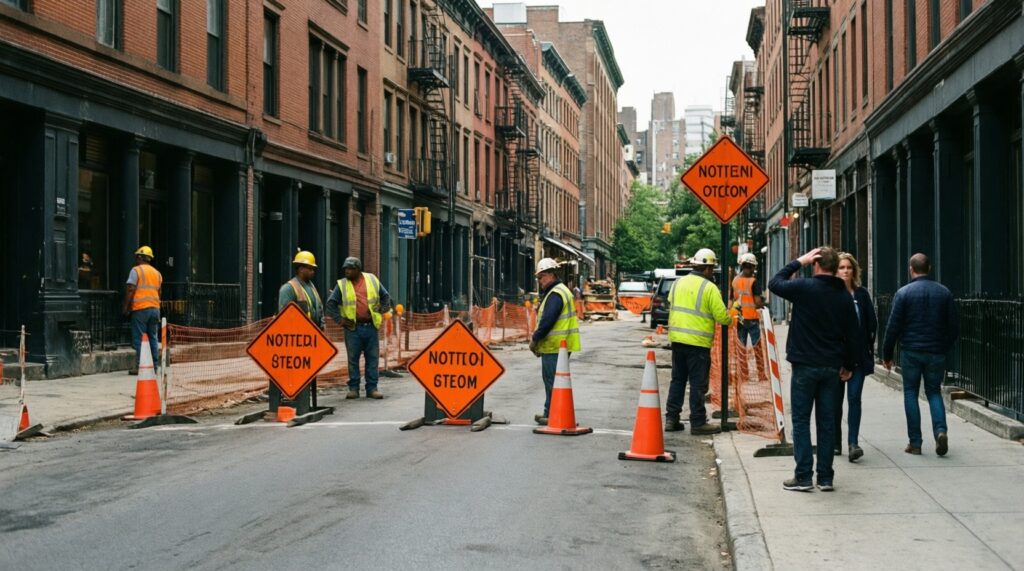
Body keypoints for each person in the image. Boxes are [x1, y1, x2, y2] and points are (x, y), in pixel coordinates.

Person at [769, 247, 858, 492]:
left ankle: (804, 476)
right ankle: (826, 477)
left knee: (800, 420)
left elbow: (775, 283)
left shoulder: (804, 289)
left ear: (816, 264)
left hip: (805, 365)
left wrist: (799, 261)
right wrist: (849, 365)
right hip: (832, 367)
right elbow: (853, 335)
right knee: (827, 422)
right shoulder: (844, 296)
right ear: (834, 267)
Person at [882, 253, 959, 457]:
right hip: (936, 351)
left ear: (911, 269)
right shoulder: (944, 293)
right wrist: (944, 346)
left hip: (911, 351)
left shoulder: (903, 293)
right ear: (929, 268)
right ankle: (940, 431)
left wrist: (887, 354)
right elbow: (953, 327)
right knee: (934, 392)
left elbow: (892, 327)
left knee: (910, 393)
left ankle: (915, 443)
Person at [664, 248, 733, 435]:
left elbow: (671, 303)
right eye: (712, 268)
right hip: (698, 344)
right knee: (697, 383)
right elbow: (722, 317)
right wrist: (734, 316)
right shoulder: (709, 288)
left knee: (677, 380)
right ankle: (698, 422)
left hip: (677, 340)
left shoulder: (678, 283)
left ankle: (671, 418)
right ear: (708, 269)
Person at [326, 257, 392, 400]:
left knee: (372, 359)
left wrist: (381, 309)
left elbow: (386, 297)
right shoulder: (342, 285)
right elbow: (330, 304)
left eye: (350, 269)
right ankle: (354, 388)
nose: (347, 271)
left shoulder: (372, 280)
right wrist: (341, 320)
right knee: (353, 359)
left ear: (358, 269)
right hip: (352, 329)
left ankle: (372, 388)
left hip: (371, 327)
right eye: (345, 269)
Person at [834, 253, 876, 462]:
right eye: (841, 267)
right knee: (834, 402)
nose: (845, 271)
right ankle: (835, 442)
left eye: (848, 267)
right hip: (835, 359)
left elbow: (872, 324)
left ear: (854, 271)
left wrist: (868, 346)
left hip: (858, 357)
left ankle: (853, 443)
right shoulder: (830, 294)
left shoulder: (862, 294)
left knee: (854, 399)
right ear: (835, 271)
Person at [529, 258, 580, 426]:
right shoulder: (559, 291)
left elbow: (547, 320)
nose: (539, 281)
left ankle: (552, 414)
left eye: (541, 277)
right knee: (552, 380)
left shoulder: (556, 293)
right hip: (559, 345)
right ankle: (549, 411)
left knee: (551, 380)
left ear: (551, 275)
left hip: (556, 346)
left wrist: (535, 338)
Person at [275, 250, 324, 414]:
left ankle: (303, 397)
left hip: (311, 338)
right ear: (301, 268)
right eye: (310, 268)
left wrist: (321, 327)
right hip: (296, 339)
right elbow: (285, 317)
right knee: (294, 371)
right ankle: (291, 397)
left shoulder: (311, 287)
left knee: (307, 371)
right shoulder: (289, 289)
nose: (313, 271)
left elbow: (318, 308)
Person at [122, 246, 162, 376]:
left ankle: (142, 366)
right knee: (153, 338)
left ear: (140, 257)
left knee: (139, 339)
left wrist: (126, 307)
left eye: (137, 256)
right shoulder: (157, 273)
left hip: (141, 309)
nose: (136, 259)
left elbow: (130, 290)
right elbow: (159, 292)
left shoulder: (136, 271)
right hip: (155, 309)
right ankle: (154, 367)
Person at [731, 253, 765, 346]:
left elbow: (732, 300)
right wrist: (763, 304)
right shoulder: (753, 281)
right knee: (757, 346)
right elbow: (757, 302)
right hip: (752, 318)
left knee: (741, 346)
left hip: (740, 318)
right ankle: (759, 361)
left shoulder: (735, 280)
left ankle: (742, 361)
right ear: (753, 267)